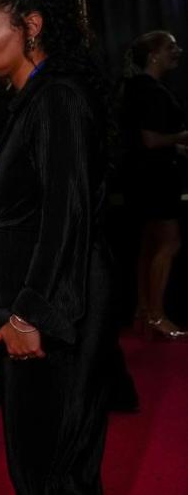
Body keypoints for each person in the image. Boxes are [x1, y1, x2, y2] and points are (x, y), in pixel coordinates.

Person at [0, 0, 121, 493]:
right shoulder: (29, 101)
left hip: (46, 315)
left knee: (53, 470)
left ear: (30, 27)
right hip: (28, 311)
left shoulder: (57, 98)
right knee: (39, 462)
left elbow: (67, 215)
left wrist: (32, 311)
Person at [121, 30, 186, 340]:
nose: (178, 51)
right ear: (154, 55)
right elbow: (150, 139)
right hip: (156, 179)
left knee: (148, 245)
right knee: (169, 243)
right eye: (171, 47)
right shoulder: (150, 91)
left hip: (141, 177)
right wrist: (180, 138)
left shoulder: (136, 89)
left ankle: (145, 311)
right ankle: (157, 315)